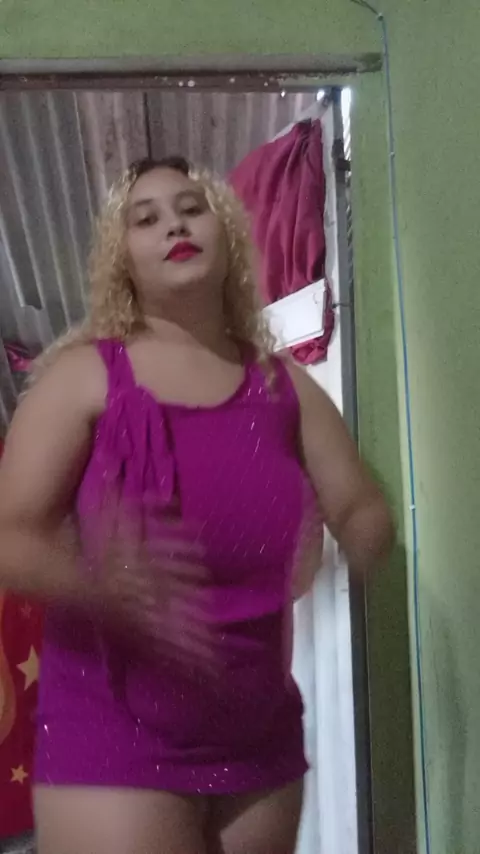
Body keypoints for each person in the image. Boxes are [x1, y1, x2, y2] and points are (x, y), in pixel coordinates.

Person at [0, 156, 393, 854]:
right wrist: (100, 581)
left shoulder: (283, 387)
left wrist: (335, 544)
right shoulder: (84, 377)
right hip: (114, 735)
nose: (174, 226)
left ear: (228, 235)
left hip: (259, 737)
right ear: (122, 260)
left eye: (191, 208)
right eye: (145, 218)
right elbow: (10, 537)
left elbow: (364, 509)